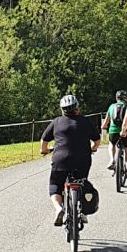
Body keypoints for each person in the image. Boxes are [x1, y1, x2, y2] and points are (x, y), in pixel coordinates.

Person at [41, 94, 100, 226]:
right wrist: (93, 148)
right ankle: (83, 213)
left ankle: (59, 208)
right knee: (81, 183)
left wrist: (45, 150)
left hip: (60, 159)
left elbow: (44, 141)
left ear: (62, 110)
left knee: (55, 185)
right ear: (77, 108)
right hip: (82, 160)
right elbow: (97, 140)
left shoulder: (57, 122)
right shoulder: (85, 121)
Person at [102, 90, 127, 171]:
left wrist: (103, 126)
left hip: (113, 131)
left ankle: (112, 160)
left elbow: (106, 120)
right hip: (125, 131)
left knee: (111, 144)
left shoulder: (111, 106)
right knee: (126, 147)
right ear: (125, 98)